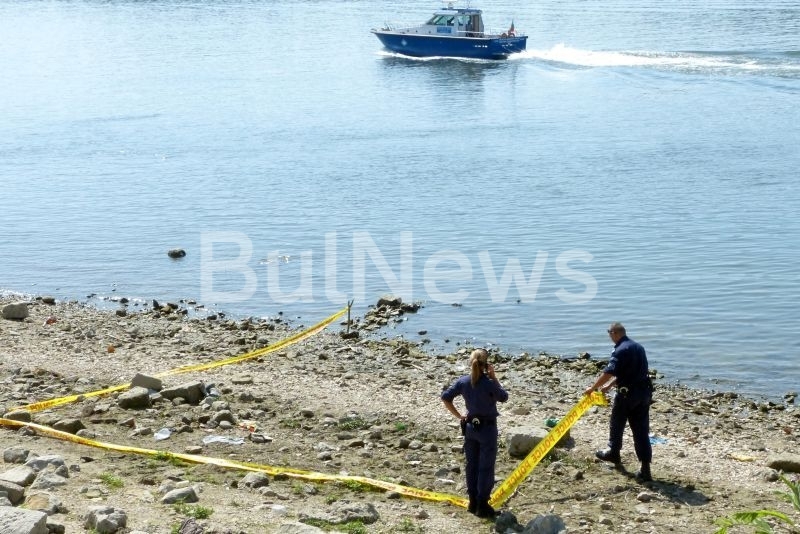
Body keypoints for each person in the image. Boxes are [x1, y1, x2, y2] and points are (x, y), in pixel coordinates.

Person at [441, 348, 508, 518]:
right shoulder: (489, 383)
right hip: (487, 428)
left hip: (470, 427)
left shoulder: (463, 382)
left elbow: (445, 397)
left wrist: (459, 416)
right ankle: (482, 505)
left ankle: (472, 502)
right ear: (486, 365)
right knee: (486, 467)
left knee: (471, 465)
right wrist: (494, 377)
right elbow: (503, 397)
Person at [584, 322, 653, 482]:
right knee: (641, 430)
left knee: (617, 423)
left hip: (627, 395)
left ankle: (613, 452)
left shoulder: (620, 350)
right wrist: (609, 386)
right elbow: (630, 371)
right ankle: (645, 468)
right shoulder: (638, 347)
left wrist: (593, 388)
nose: (609, 336)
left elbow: (609, 371)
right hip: (644, 394)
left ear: (614, 333)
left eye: (609, 333)